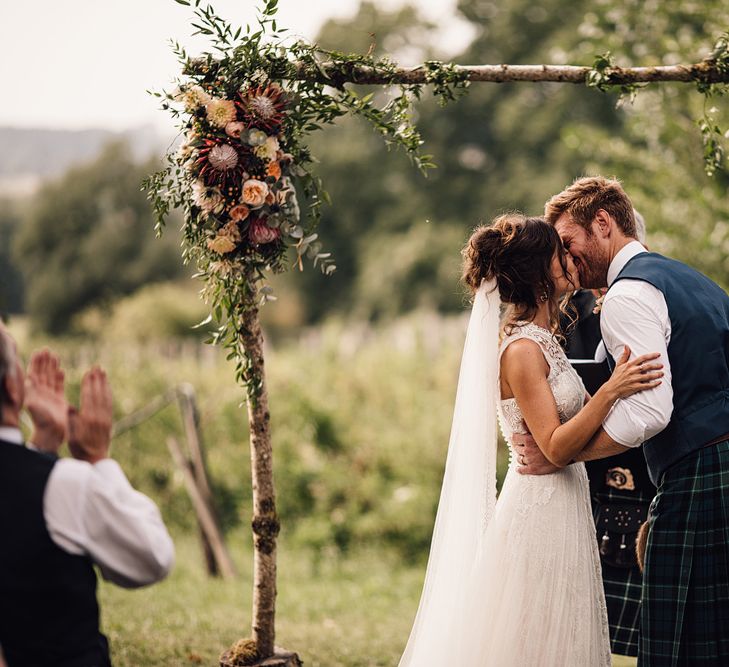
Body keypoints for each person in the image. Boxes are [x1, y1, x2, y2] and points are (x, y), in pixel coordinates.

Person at [398, 213, 663, 666]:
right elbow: (556, 446)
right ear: (541, 271)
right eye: (560, 252)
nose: (570, 258)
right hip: (538, 508)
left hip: (566, 499)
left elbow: (566, 440)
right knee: (532, 638)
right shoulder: (522, 351)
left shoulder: (546, 339)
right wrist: (614, 389)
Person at [515, 176, 729, 666]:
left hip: (699, 471)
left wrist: (565, 455)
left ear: (604, 224)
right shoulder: (686, 278)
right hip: (715, 465)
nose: (566, 261)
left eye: (568, 244)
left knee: (681, 644)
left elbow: (651, 411)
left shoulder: (628, 296)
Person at [0, 326, 175, 667]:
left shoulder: (49, 482)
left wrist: (43, 444)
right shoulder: (64, 483)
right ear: (12, 386)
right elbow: (152, 558)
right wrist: (97, 458)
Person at [565, 210, 655, 659]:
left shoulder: (648, 299)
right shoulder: (570, 311)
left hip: (648, 477)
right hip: (591, 486)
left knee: (655, 630)